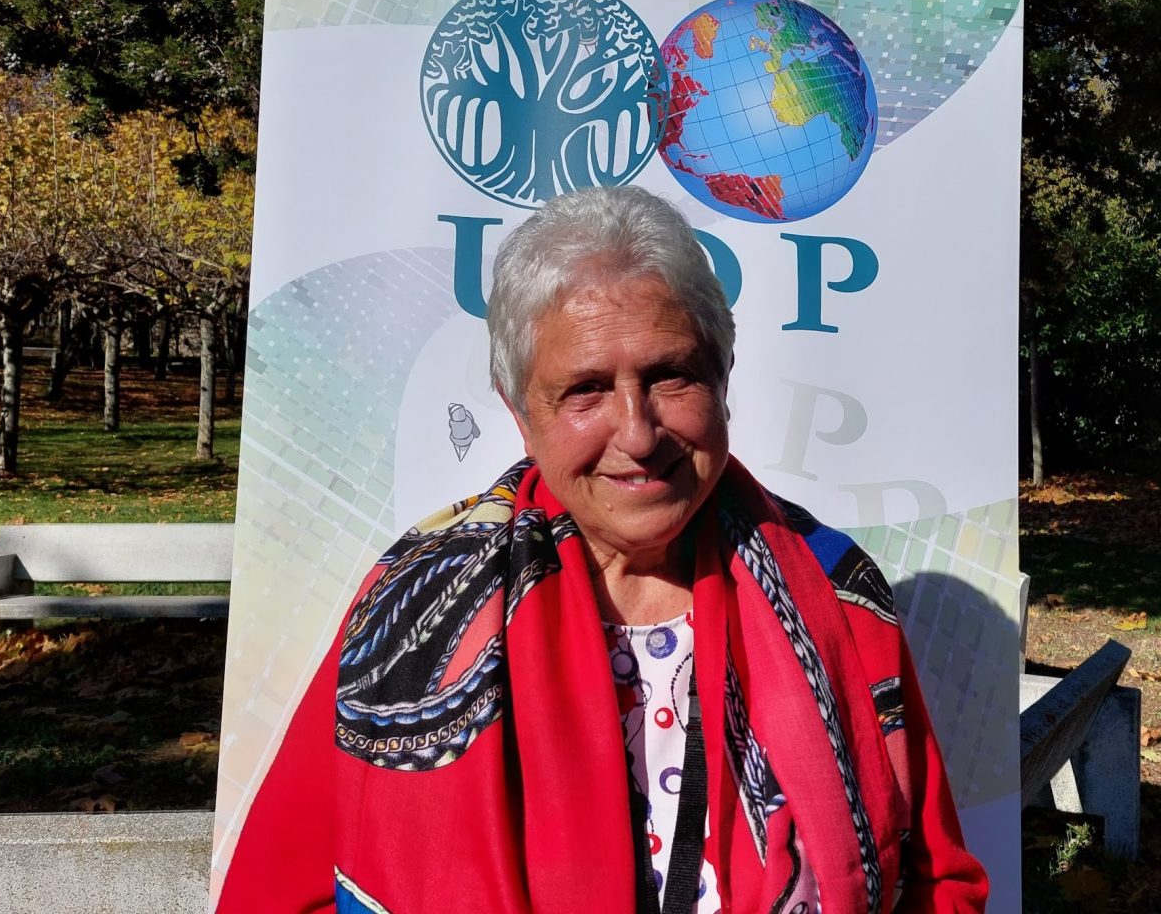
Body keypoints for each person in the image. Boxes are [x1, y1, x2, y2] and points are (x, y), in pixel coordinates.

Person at [218, 186, 987, 913]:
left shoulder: (832, 587)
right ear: (522, 412)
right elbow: (283, 890)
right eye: (586, 389)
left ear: (722, 380)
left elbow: (936, 879)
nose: (638, 432)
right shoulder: (424, 604)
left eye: (670, 376)